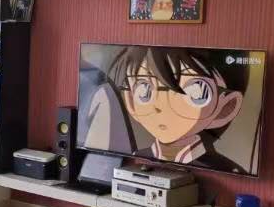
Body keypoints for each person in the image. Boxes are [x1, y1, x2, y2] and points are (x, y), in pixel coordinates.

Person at [84, 45, 250, 173]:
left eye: (194, 92)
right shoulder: (138, 156)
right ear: (130, 100)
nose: (160, 106)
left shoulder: (225, 168)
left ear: (226, 107)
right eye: (144, 89)